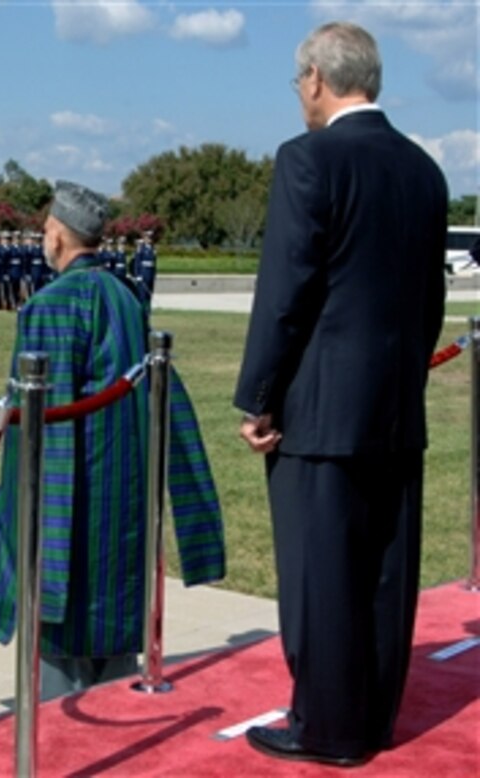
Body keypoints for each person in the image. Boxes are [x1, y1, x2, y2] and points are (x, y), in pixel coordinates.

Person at [234, 22, 448, 768]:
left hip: (322, 408)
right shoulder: (424, 171)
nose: (299, 95)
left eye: (298, 82)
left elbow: (286, 293)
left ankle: (325, 727)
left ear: (318, 78)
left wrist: (258, 396)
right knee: (385, 576)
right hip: (394, 404)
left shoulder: (308, 159)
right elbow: (428, 303)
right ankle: (373, 716)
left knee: (321, 574)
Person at [0, 180, 224, 700]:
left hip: (75, 501)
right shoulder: (125, 295)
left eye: (45, 231)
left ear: (57, 236)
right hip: (124, 495)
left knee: (64, 656)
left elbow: (46, 429)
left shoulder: (53, 304)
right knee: (114, 648)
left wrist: (36, 527)